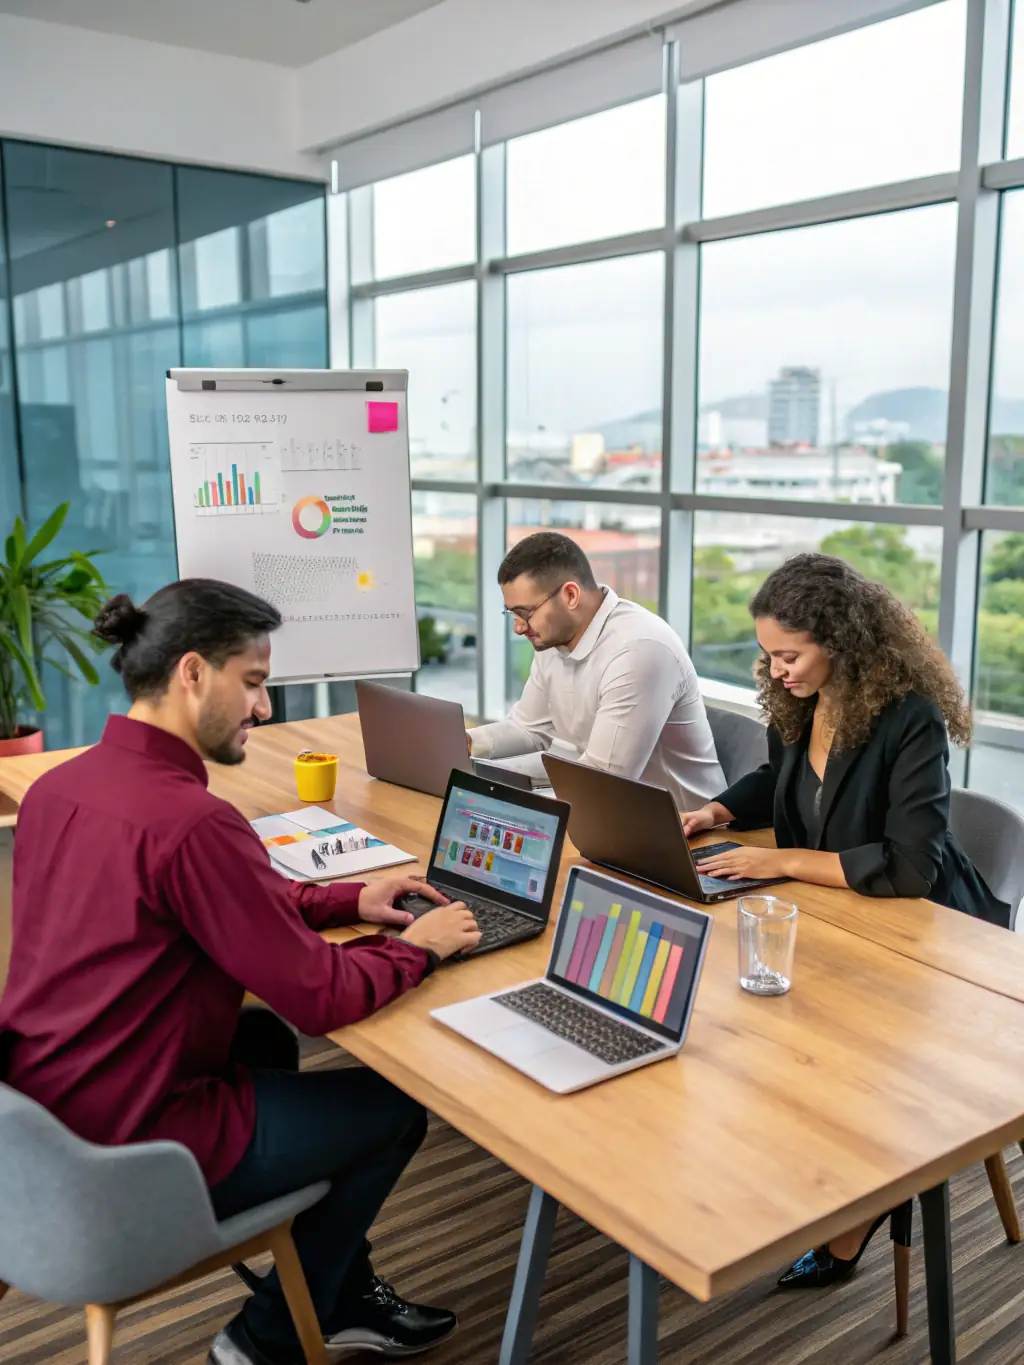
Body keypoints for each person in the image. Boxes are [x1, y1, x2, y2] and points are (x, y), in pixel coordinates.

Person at [0, 579, 481, 1365]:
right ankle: (269, 1337)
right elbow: (320, 997)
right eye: (253, 683)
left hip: (52, 1110)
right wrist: (420, 947)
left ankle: (334, 1289)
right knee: (394, 1109)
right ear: (192, 672)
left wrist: (351, 896)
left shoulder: (63, 787)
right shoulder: (191, 821)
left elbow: (216, 896)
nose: (263, 709)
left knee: (259, 1040)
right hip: (138, 1143)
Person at [681, 552, 1008, 1291]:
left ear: (844, 641)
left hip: (921, 927)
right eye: (767, 655)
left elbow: (907, 868)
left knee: (841, 1045)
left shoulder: (909, 718)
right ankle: (799, 1174)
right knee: (749, 1020)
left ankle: (860, 1199)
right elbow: (784, 780)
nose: (777, 671)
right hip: (833, 907)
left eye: (789, 655)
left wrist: (784, 863)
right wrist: (718, 811)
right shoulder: (801, 700)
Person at [469, 531, 724, 808]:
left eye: (525, 613)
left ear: (570, 595)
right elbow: (531, 730)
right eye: (513, 614)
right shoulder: (552, 639)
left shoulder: (639, 650)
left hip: (683, 826)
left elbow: (604, 779)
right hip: (606, 807)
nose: (518, 627)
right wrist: (466, 744)